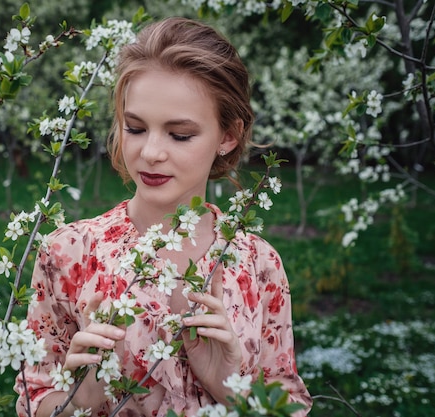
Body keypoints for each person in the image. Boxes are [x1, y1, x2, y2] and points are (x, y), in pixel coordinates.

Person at [15, 16, 312, 417]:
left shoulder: (259, 265)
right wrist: (79, 400)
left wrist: (232, 390)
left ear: (228, 136)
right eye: (135, 128)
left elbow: (288, 404)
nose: (151, 152)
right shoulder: (68, 253)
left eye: (180, 134)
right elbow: (34, 398)